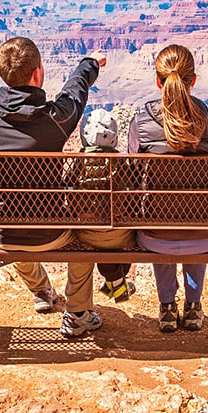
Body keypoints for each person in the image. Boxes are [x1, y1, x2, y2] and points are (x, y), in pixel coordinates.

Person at [0, 36, 107, 336]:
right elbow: (75, 92)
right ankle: (78, 312)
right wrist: (90, 63)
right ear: (38, 73)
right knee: (88, 237)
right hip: (49, 232)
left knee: (13, 227)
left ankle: (42, 291)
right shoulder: (56, 119)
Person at [128, 44, 208, 332]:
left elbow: (130, 183)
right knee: (197, 216)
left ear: (158, 81)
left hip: (155, 236)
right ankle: (193, 306)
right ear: (194, 80)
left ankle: (166, 307)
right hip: (207, 235)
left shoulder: (141, 125)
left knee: (160, 218)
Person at [72, 109, 135, 303]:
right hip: (121, 235)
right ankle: (115, 283)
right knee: (115, 232)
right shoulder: (122, 165)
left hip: (85, 233)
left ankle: (115, 283)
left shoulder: (78, 164)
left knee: (98, 230)